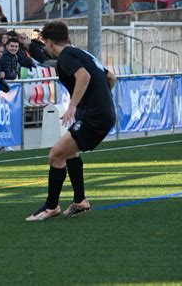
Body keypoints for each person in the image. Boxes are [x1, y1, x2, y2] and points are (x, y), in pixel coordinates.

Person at [26, 21, 116, 221]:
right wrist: (99, 100)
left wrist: (74, 106)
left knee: (55, 154)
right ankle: (80, 201)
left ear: (48, 42)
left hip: (94, 116)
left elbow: (83, 77)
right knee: (69, 152)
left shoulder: (65, 57)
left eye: (44, 43)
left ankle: (51, 206)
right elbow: (111, 77)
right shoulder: (82, 54)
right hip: (100, 113)